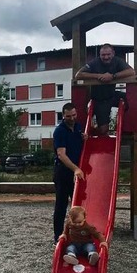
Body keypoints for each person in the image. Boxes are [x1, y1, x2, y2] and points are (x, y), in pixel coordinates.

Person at [75, 43, 135, 136]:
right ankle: (95, 130)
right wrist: (98, 76)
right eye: (103, 55)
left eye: (108, 54)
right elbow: (78, 75)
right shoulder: (95, 63)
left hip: (112, 95)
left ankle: (126, 126)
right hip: (99, 99)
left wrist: (113, 76)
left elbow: (131, 71)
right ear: (100, 55)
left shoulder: (117, 61)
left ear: (113, 53)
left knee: (132, 99)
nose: (106, 57)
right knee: (103, 130)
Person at [52, 103, 87, 243]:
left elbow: (79, 146)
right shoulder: (59, 131)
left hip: (75, 172)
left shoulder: (78, 127)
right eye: (68, 116)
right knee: (61, 205)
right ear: (63, 116)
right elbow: (61, 155)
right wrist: (76, 169)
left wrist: (85, 138)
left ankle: (77, 234)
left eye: (74, 115)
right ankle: (58, 237)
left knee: (77, 206)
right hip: (63, 172)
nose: (72, 118)